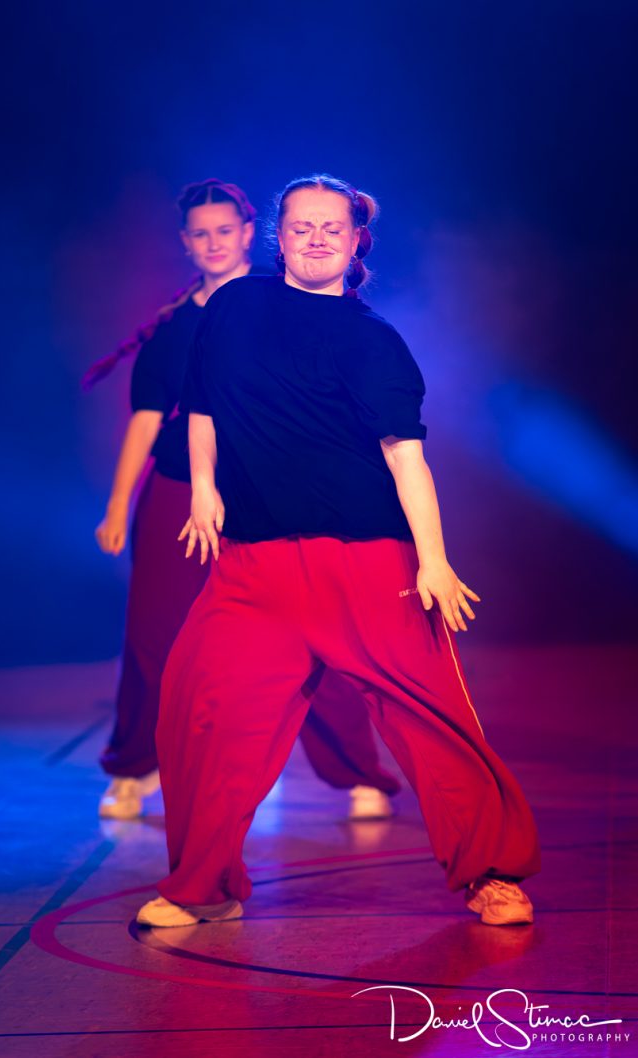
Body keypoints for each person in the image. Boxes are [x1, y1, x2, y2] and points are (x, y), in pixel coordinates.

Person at [136, 173, 541, 929]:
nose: (316, 238)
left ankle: (491, 873)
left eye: (332, 227)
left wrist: (434, 559)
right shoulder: (235, 307)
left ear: (357, 242)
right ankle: (203, 884)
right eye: (301, 226)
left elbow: (405, 457)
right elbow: (205, 406)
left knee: (431, 721)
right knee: (201, 714)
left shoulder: (372, 340)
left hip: (366, 564)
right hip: (254, 568)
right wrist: (203, 487)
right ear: (279, 236)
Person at [87, 178, 402, 821]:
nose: (213, 243)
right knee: (155, 635)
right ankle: (137, 766)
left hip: (266, 486)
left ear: (251, 234)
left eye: (225, 231)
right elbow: (148, 421)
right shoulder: (176, 328)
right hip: (182, 488)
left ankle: (354, 769)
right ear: (185, 242)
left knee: (314, 631)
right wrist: (118, 505)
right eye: (200, 233)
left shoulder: (276, 299)